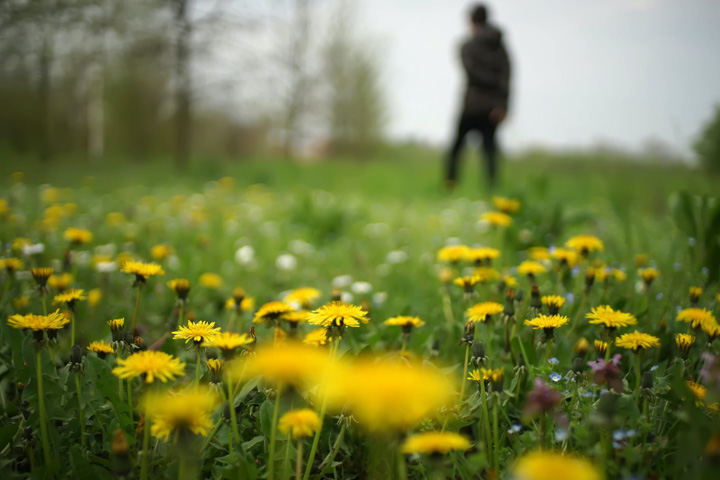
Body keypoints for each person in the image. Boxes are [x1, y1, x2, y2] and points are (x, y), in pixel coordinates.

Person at [445, 3, 511, 192]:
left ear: (471, 21)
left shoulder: (467, 46)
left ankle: (450, 184)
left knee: (457, 148)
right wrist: (503, 105)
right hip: (493, 106)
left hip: (472, 104)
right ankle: (492, 188)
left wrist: (486, 83)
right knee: (489, 149)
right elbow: (507, 76)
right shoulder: (501, 48)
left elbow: (470, 72)